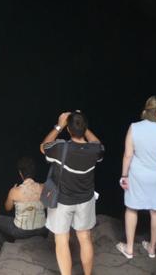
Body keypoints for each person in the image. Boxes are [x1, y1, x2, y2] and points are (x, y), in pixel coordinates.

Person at [40, 111, 104, 275]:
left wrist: (59, 125)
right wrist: (83, 125)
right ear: (85, 128)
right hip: (85, 200)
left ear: (68, 129)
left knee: (61, 240)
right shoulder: (94, 150)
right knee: (85, 238)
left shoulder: (60, 148)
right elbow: (97, 142)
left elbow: (43, 146)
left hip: (62, 201)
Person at [116, 96, 156, 260]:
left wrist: (124, 175)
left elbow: (128, 155)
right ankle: (152, 249)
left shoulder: (134, 128)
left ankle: (129, 249)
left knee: (132, 209)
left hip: (138, 176)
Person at [0, 155, 47, 251]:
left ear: (20, 173)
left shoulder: (15, 191)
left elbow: (8, 208)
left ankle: (4, 248)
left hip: (21, 231)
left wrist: (12, 192)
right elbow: (48, 206)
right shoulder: (43, 187)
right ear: (34, 172)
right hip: (42, 229)